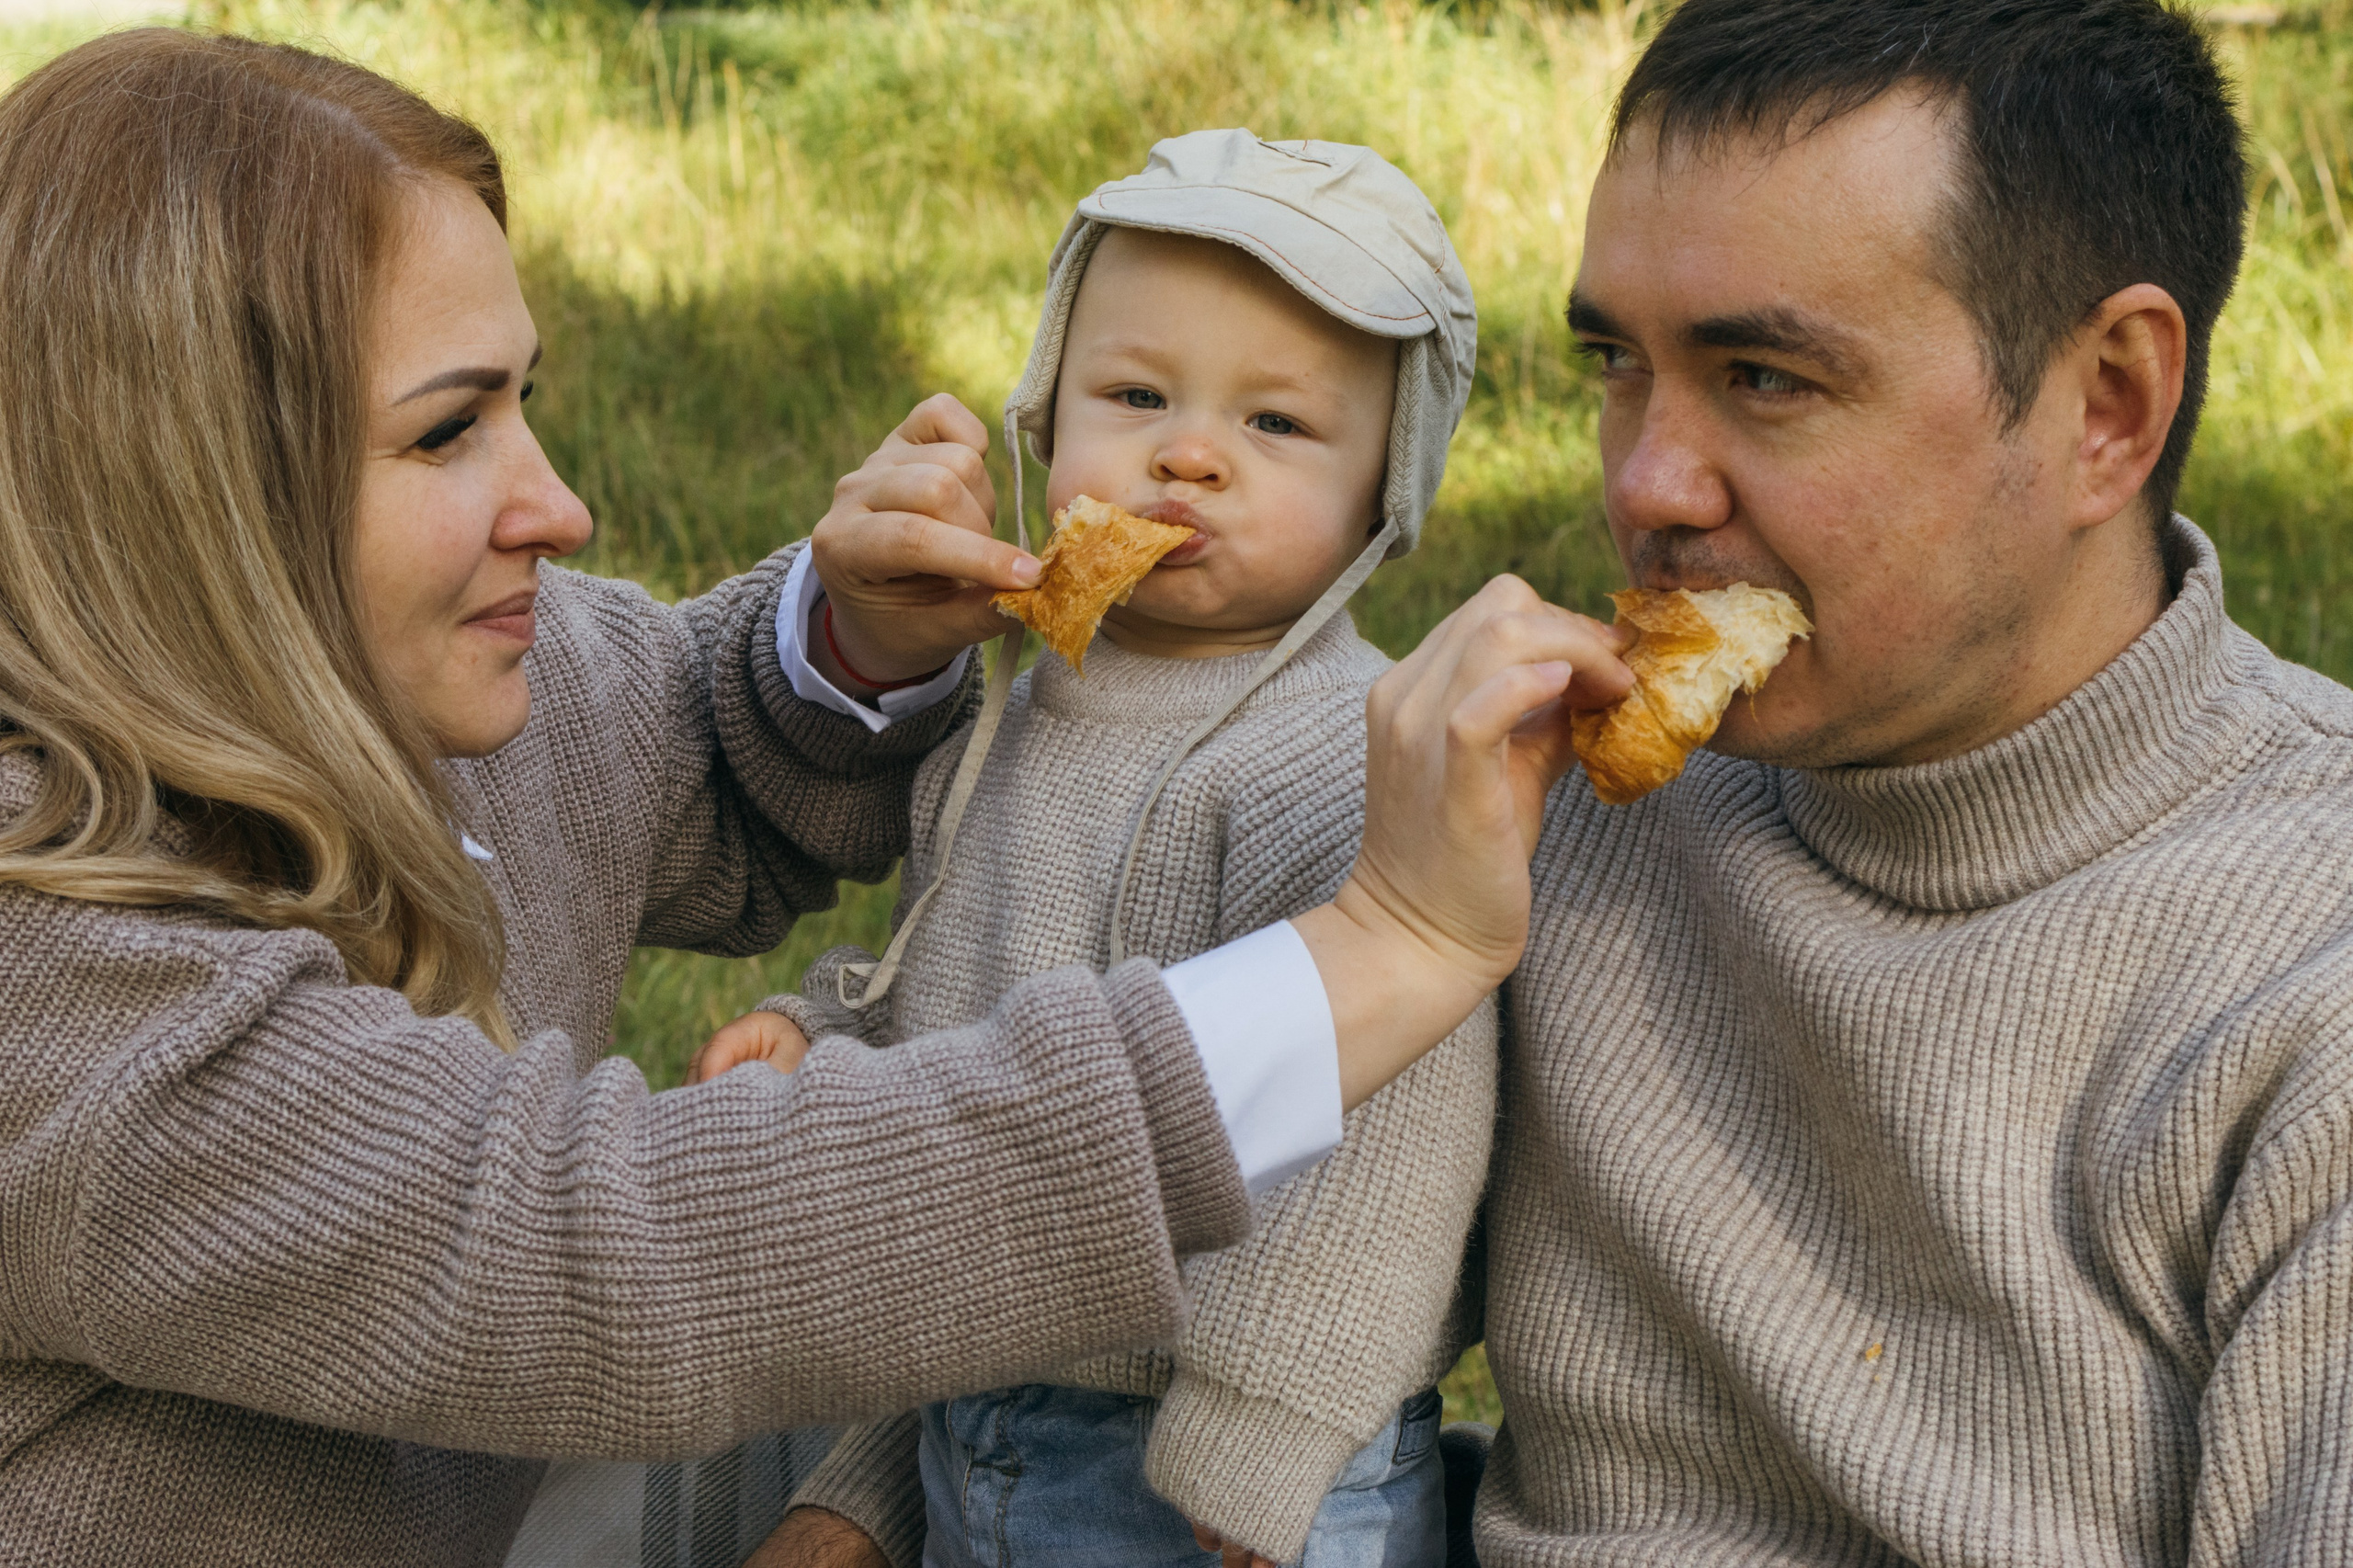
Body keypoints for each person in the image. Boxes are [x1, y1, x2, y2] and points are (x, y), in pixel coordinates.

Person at [0, 30, 1634, 1566]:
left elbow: (669, 738)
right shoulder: (47, 974)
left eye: (525, 398)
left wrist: (851, 637)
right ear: (199, 501)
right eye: (448, 433)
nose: (558, 506)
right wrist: (1387, 948)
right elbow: (610, 1261)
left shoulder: (410, 665)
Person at [1459, 0, 2348, 1561]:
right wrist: (880, 687)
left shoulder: (2309, 966)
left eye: (1765, 377)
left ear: (2107, 408)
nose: (1648, 483)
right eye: (1619, 361)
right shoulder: (1538, 795)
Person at [700, 133, 1491, 1568]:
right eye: (1135, 396)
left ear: (1389, 493)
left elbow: (1395, 1126)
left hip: (1216, 1463)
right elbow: (965, 1000)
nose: (1190, 452)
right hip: (984, 1397)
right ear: (1044, 415)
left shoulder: (1333, 752)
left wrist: (1258, 1432)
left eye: (1278, 426)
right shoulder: (1020, 698)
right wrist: (826, 1030)